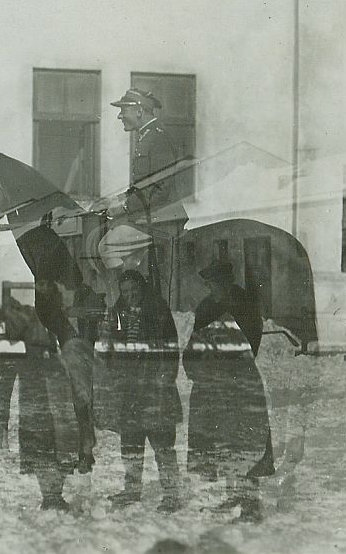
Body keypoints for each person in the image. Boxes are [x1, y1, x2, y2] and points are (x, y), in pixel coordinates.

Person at [184, 259, 274, 523]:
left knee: (244, 441)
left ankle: (251, 505)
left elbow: (252, 342)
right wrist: (196, 363)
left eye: (213, 283)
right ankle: (233, 493)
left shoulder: (244, 304)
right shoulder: (206, 307)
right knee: (221, 442)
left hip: (239, 384)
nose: (210, 288)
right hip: (213, 387)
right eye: (208, 284)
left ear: (226, 282)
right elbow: (195, 341)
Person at [105, 269, 183, 514]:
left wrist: (165, 380)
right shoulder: (118, 314)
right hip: (129, 391)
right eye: (125, 291)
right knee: (130, 444)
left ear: (143, 288)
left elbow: (171, 349)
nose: (130, 295)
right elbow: (111, 350)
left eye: (134, 290)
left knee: (162, 444)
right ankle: (131, 490)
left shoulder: (158, 311)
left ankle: (171, 494)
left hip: (155, 389)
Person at [109, 88, 189, 308]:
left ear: (138, 110)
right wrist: (118, 199)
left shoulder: (158, 138)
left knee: (107, 247)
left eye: (123, 110)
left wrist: (125, 207)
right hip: (151, 217)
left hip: (163, 219)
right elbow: (144, 185)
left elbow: (162, 188)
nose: (120, 116)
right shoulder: (147, 136)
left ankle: (126, 304)